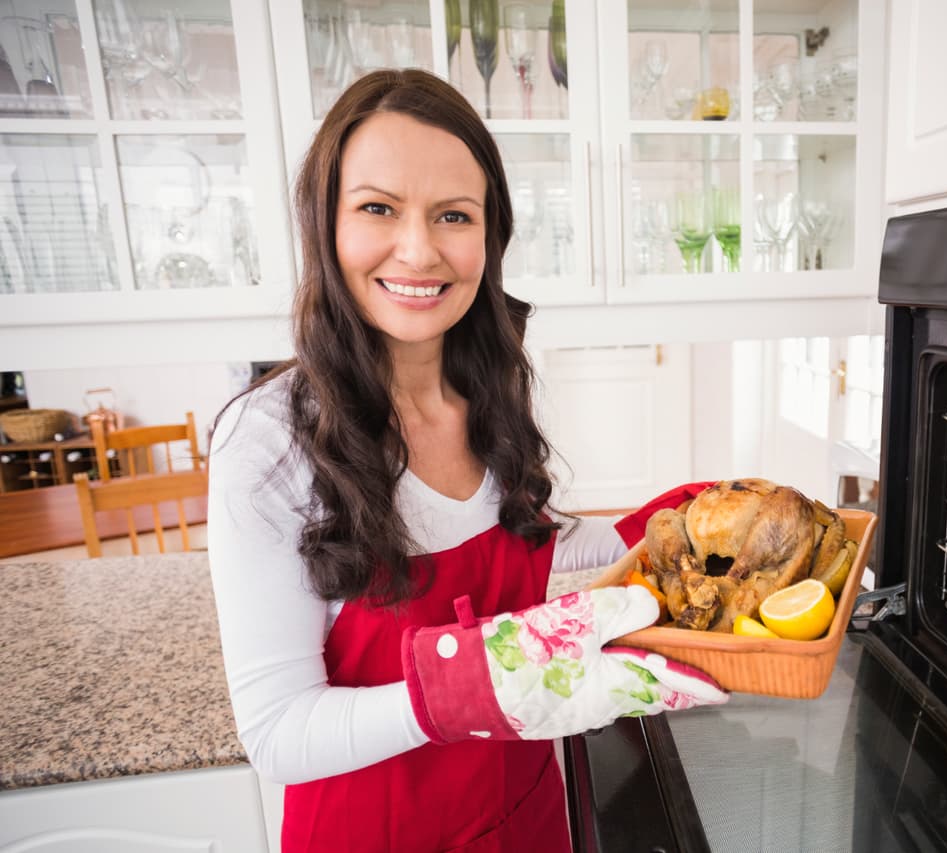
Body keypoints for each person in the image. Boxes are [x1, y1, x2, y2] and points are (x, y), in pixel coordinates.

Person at [206, 69, 727, 853]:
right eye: (378, 207)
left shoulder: (487, 391)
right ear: (324, 224)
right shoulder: (271, 438)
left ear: (489, 236)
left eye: (453, 215)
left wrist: (666, 527)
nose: (418, 250)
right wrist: (470, 689)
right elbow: (279, 730)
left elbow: (519, 548)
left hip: (526, 820)